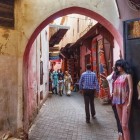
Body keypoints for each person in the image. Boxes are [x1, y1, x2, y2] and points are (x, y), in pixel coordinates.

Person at [112, 59, 133, 140]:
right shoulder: (117, 76)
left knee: (124, 125)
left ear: (123, 65)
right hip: (117, 101)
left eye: (119, 65)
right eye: (117, 65)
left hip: (125, 101)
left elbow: (131, 89)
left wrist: (129, 103)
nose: (118, 67)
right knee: (121, 124)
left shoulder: (128, 76)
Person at [106, 67, 123, 140]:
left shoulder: (118, 76)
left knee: (119, 118)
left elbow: (108, 78)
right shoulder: (114, 76)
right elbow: (108, 78)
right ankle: (120, 134)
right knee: (118, 118)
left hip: (118, 99)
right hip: (115, 99)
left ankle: (121, 134)